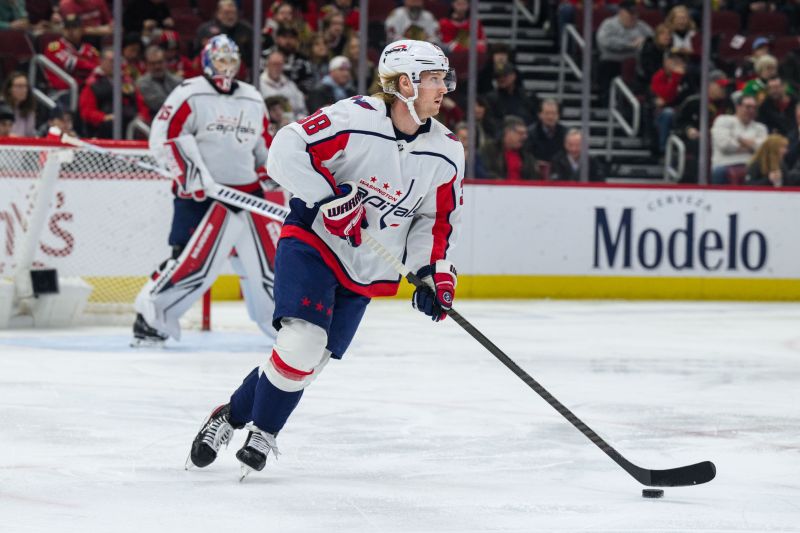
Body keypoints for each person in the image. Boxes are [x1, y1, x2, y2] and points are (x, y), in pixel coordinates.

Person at [186, 39, 464, 478]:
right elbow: (285, 150)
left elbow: (436, 219)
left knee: (306, 364)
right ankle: (264, 430)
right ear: (405, 83)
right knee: (301, 344)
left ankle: (229, 415)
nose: (444, 88)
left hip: (367, 268)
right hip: (314, 245)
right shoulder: (354, 117)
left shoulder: (447, 151)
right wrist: (328, 199)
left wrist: (433, 272)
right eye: (434, 79)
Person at [131, 35, 277, 347]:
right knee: (188, 262)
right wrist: (191, 176)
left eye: (231, 59)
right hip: (201, 198)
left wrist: (271, 173)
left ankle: (281, 322)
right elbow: (164, 138)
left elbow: (262, 145)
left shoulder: (252, 97)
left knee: (267, 264)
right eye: (220, 59)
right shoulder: (189, 93)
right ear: (208, 61)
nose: (226, 66)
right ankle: (150, 319)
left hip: (248, 196)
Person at [78, 47, 150, 138]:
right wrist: (103, 117)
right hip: (105, 127)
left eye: (117, 61)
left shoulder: (126, 81)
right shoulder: (91, 83)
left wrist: (142, 115)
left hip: (130, 122)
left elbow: (140, 102)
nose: (115, 64)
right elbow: (87, 112)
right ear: (101, 61)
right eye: (111, 61)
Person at [596, 1, 653, 103]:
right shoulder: (609, 24)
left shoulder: (642, 26)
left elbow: (653, 39)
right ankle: (606, 100)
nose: (633, 16)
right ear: (621, 12)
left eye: (635, 14)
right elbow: (605, 42)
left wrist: (645, 41)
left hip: (636, 62)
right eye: (630, 13)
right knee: (606, 67)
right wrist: (629, 45)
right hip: (612, 60)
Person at [710, 94, 768, 184]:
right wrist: (752, 146)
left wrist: (739, 139)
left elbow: (763, 149)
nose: (751, 111)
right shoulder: (723, 120)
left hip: (751, 166)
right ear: (738, 107)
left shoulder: (761, 127)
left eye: (754, 108)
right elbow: (725, 145)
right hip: (725, 164)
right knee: (719, 173)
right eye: (748, 107)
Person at [43, 14, 100, 92]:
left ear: (81, 30)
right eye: (67, 28)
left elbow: (98, 68)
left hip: (86, 90)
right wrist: (88, 65)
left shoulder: (90, 49)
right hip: (61, 92)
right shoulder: (54, 47)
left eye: (74, 27)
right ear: (63, 30)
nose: (71, 31)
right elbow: (70, 63)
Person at [195, 0, 253, 68]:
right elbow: (196, 54)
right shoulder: (205, 30)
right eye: (227, 13)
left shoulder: (246, 29)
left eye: (233, 13)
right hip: (212, 69)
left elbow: (253, 56)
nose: (230, 17)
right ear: (218, 13)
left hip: (240, 70)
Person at [480, 115, 538, 180]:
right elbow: (485, 172)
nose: (524, 137)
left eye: (525, 133)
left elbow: (534, 177)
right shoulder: (489, 149)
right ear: (507, 132)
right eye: (520, 133)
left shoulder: (527, 153)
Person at [259, 50, 307, 121]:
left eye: (280, 64)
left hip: (290, 127)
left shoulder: (291, 86)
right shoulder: (258, 85)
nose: (277, 67)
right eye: (274, 64)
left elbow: (302, 110)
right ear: (267, 64)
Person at [137, 45, 183, 119]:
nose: (157, 66)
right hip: (155, 120)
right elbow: (158, 104)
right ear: (147, 65)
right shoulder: (143, 83)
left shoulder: (177, 80)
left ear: (165, 62)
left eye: (160, 62)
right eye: (153, 63)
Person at [526, 98, 566, 163]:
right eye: (547, 113)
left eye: (553, 113)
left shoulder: (565, 134)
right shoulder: (530, 134)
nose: (550, 117)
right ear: (540, 115)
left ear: (558, 115)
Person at [2, 72, 40, 138]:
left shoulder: (29, 111)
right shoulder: (1, 107)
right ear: (9, 89)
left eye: (25, 86)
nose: (24, 90)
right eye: (19, 86)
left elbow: (31, 135)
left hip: (22, 146)